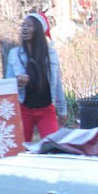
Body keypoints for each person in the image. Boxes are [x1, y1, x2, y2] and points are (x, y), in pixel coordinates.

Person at [5, 12, 67, 142]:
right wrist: (18, 82)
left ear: (38, 30)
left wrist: (62, 110)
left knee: (52, 146)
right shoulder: (14, 54)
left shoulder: (50, 54)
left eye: (29, 25)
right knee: (21, 149)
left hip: (46, 109)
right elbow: (7, 85)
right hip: (23, 109)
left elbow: (57, 84)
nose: (25, 28)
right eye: (23, 25)